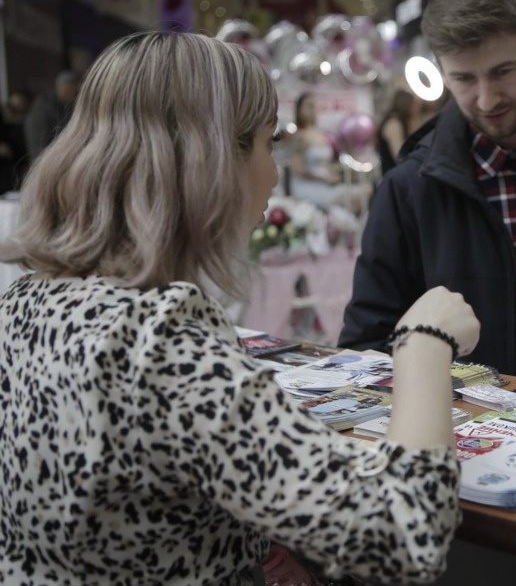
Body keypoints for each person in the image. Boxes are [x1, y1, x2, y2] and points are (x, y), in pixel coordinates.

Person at [0, 31, 480, 584]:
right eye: (266, 142)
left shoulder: (27, 300)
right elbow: (400, 533)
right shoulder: (158, 338)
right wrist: (423, 345)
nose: (274, 171)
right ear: (214, 158)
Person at [339, 0, 516, 380]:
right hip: (472, 434)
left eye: (502, 72)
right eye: (463, 78)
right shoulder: (408, 189)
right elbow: (364, 351)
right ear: (442, 73)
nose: (485, 98)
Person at [287, 91, 372, 215]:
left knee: (366, 191)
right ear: (299, 109)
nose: (313, 110)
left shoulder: (320, 133)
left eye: (314, 106)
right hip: (309, 186)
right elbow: (296, 168)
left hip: (326, 183)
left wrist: (340, 174)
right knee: (360, 194)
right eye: (309, 106)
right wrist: (324, 178)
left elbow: (326, 165)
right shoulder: (299, 136)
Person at [23, 69, 80, 159]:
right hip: (47, 161)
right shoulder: (44, 107)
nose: (76, 95)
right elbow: (38, 141)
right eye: (75, 91)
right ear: (63, 87)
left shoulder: (62, 105)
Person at [377, 88, 426, 174]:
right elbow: (399, 156)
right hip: (393, 176)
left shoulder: (402, 123)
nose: (417, 108)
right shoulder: (394, 124)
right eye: (414, 104)